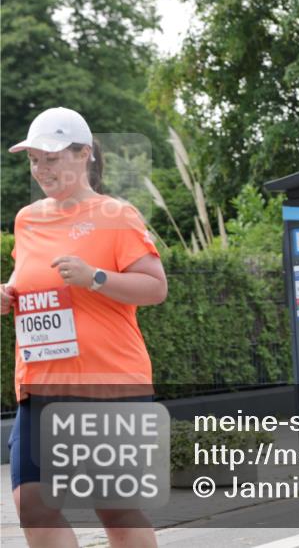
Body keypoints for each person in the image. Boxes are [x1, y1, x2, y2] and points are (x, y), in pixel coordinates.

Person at [2, 107, 168, 547]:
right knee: (33, 506)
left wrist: (96, 277)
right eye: (34, 159)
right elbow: (30, 285)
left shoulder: (116, 214)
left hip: (108, 384)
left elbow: (154, 287)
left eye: (51, 158)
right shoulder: (27, 220)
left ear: (84, 155)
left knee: (114, 507)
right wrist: (7, 295)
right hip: (40, 384)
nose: (40, 169)